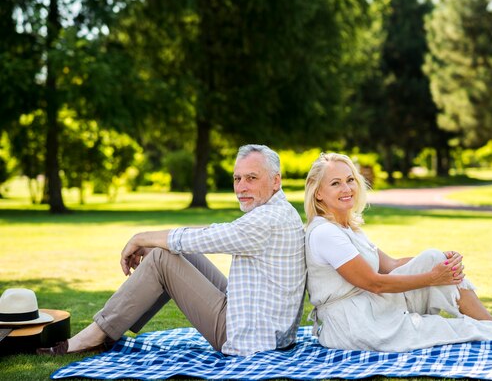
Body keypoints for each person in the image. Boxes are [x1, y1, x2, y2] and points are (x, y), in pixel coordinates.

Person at [38, 144, 306, 357]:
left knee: (160, 259)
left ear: (275, 181)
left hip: (249, 338)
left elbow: (211, 237)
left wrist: (143, 237)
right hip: (264, 325)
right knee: (175, 251)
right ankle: (111, 329)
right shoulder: (278, 211)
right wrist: (155, 239)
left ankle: (97, 335)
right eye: (237, 178)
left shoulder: (267, 220)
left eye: (251, 178)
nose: (241, 187)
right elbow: (210, 233)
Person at [303, 152, 492, 352]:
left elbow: (392, 265)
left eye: (350, 180)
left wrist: (442, 262)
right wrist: (433, 277)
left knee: (434, 257)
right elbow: (375, 283)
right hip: (355, 325)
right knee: (456, 329)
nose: (347, 188)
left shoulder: (346, 229)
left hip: (373, 309)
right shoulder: (326, 234)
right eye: (335, 183)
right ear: (318, 193)